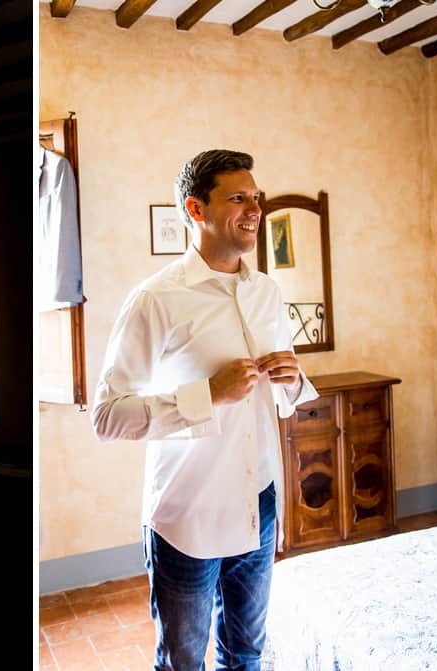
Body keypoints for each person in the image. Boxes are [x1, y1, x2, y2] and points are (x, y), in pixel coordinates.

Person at [91, 150, 318, 670]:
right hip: (187, 515)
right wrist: (207, 395)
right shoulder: (155, 300)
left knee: (246, 655)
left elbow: (283, 397)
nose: (254, 208)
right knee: (182, 663)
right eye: (238, 197)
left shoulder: (267, 293)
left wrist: (294, 378)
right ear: (196, 210)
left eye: (256, 198)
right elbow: (106, 416)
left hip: (258, 505)